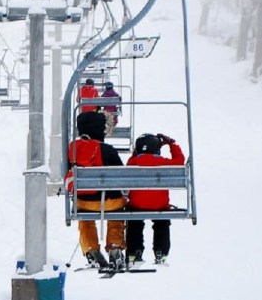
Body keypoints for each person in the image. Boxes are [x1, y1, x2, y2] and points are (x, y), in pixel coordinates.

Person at [65, 110, 127, 269]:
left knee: (85, 220)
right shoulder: (108, 150)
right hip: (111, 202)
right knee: (117, 216)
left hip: (84, 202)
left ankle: (91, 250)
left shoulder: (72, 149)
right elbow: (122, 175)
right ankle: (114, 246)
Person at [126, 132, 186, 264]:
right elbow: (180, 161)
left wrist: (136, 153)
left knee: (134, 222)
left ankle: (134, 251)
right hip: (160, 204)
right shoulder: (163, 163)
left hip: (137, 205)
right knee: (161, 222)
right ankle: (161, 251)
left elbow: (132, 160)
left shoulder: (133, 162)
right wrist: (172, 144)